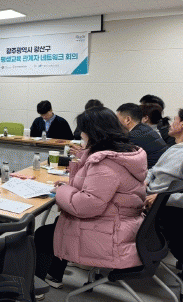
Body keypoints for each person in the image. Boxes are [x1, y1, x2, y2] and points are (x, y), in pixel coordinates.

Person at [34, 107, 146, 296]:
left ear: (92, 132)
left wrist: (62, 191)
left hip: (111, 236)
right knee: (59, 223)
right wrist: (72, 180)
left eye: (82, 130)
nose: (80, 134)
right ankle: (54, 275)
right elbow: (94, 190)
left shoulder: (105, 164)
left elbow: (84, 206)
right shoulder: (122, 153)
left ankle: (36, 288)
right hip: (121, 226)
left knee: (43, 235)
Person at [145, 108, 183, 265]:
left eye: (175, 120)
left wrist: (162, 198)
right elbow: (154, 169)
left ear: (182, 124)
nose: (170, 123)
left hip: (163, 208)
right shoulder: (174, 148)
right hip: (152, 199)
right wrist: (146, 179)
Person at [116, 103, 167, 169]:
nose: (116, 122)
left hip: (152, 172)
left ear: (128, 120)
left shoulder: (132, 137)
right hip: (161, 167)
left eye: (117, 119)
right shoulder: (146, 128)